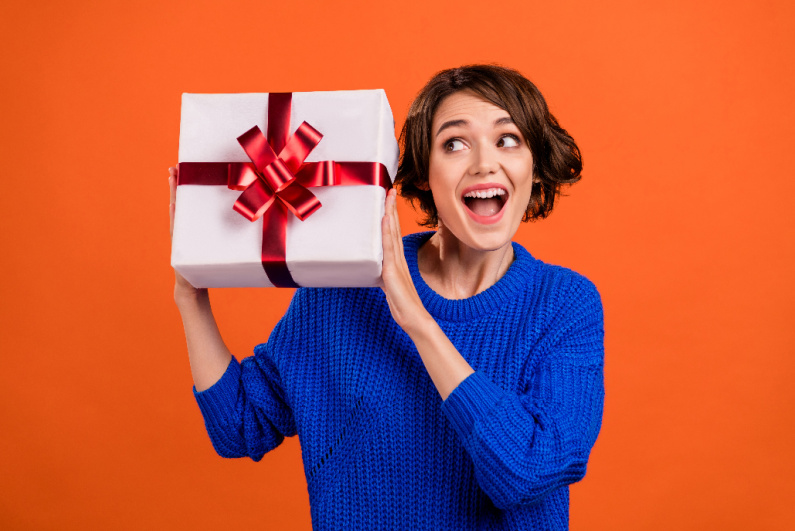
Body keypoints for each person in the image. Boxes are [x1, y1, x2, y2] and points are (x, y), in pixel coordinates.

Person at [168, 64, 605, 530]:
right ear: (421, 176)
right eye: (454, 143)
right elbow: (241, 424)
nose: (483, 162)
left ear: (535, 168)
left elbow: (526, 473)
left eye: (507, 139)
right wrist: (190, 296)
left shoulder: (565, 303)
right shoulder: (342, 289)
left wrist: (416, 318)